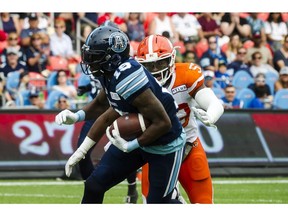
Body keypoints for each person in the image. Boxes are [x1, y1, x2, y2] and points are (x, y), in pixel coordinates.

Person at [55, 26, 186, 204]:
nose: (88, 61)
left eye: (94, 56)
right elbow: (103, 107)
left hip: (165, 143)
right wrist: (77, 119)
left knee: (158, 203)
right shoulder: (107, 72)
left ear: (111, 58)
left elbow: (163, 123)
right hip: (139, 136)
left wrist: (131, 145)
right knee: (94, 184)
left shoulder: (127, 76)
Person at [135, 35, 224, 203]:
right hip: (155, 153)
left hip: (187, 150)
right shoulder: (134, 82)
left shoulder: (186, 74)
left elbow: (214, 102)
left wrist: (211, 115)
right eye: (148, 65)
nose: (155, 70)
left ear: (172, 59)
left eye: (160, 63)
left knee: (204, 204)